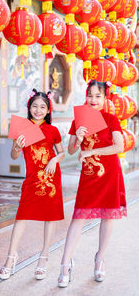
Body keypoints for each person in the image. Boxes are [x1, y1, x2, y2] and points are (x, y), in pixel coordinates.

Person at [58, 80, 126, 287]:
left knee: (107, 216)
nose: (93, 100)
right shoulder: (79, 120)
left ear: (105, 99)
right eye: (90, 95)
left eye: (98, 96)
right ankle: (65, 264)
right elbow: (70, 151)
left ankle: (99, 260)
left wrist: (92, 151)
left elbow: (119, 146)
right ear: (85, 96)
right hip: (88, 176)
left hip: (109, 173)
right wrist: (77, 139)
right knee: (78, 217)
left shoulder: (111, 119)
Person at [0, 89, 65, 280]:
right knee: (21, 216)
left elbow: (61, 153)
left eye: (42, 107)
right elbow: (13, 156)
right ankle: (11, 258)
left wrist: (54, 160)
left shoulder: (52, 130)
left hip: (51, 178)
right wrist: (17, 147)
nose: (38, 110)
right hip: (31, 179)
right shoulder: (22, 127)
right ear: (29, 108)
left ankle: (44, 257)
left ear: (48, 110)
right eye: (35, 106)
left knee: (50, 217)